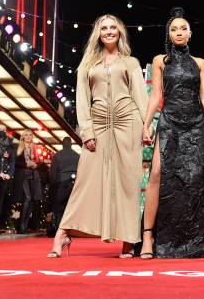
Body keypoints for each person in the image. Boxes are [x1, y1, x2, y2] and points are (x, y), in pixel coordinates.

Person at [47, 14, 148, 258]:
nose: (109, 31)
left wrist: (146, 127)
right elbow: (82, 100)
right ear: (98, 33)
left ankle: (128, 239)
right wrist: (87, 132)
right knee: (85, 182)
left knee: (128, 184)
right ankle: (63, 233)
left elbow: (140, 96)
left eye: (114, 27)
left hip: (128, 123)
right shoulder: (87, 64)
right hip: (99, 124)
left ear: (120, 32)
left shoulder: (131, 62)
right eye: (104, 27)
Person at [139, 7, 204, 259]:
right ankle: (148, 236)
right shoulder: (160, 60)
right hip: (170, 120)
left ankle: (191, 240)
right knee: (157, 174)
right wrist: (147, 123)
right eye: (174, 29)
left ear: (190, 33)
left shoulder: (201, 63)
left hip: (196, 124)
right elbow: (156, 96)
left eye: (183, 28)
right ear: (169, 34)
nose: (179, 32)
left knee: (193, 180)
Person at [14, 129, 42, 233]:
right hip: (22, 175)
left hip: (33, 175)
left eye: (30, 135)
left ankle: (25, 226)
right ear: (23, 137)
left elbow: (40, 163)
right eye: (26, 135)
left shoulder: (35, 148)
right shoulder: (18, 147)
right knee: (27, 198)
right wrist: (27, 164)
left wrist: (35, 165)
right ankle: (21, 225)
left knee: (32, 200)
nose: (29, 137)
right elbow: (15, 163)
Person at [49, 137, 80, 230]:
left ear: (62, 144)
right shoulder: (77, 156)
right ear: (71, 144)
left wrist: (53, 187)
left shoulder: (57, 156)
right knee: (73, 207)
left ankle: (60, 228)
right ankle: (73, 228)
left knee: (60, 207)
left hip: (61, 183)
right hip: (75, 184)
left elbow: (53, 174)